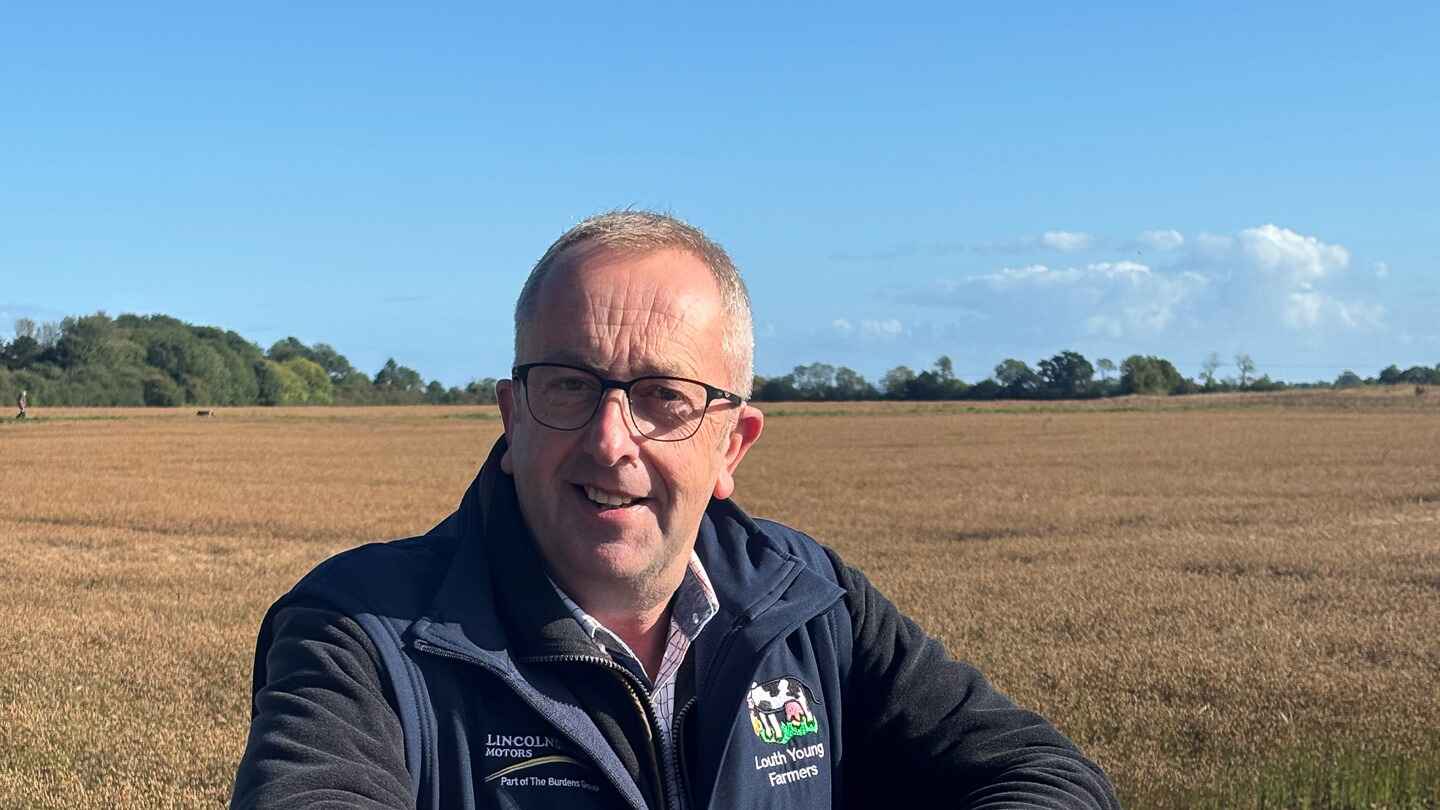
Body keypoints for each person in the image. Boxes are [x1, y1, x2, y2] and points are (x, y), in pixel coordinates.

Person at [231, 211, 1119, 809]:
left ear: (733, 443)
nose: (611, 440)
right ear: (511, 418)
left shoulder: (809, 602)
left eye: (663, 396)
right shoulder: (368, 635)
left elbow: (1045, 775)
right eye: (569, 385)